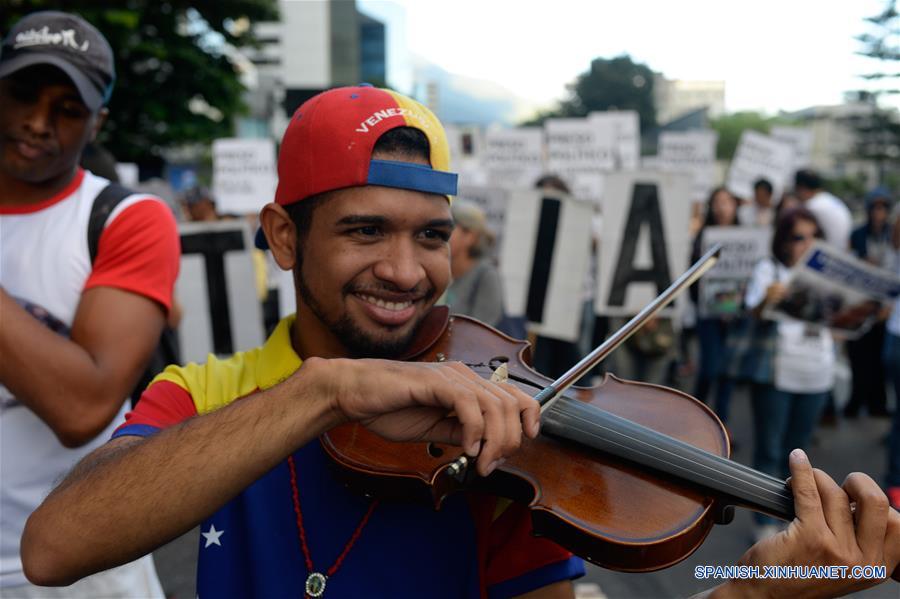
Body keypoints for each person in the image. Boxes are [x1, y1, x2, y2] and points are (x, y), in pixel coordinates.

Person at [20, 86, 900, 599]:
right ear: (283, 237)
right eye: (366, 231)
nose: (407, 271)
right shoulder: (207, 389)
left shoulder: (498, 432)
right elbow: (54, 547)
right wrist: (323, 389)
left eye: (432, 235)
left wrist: (760, 592)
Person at [0, 11, 179, 597]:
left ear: (97, 123)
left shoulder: (127, 219)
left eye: (67, 110)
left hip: (73, 572)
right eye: (22, 95)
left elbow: (81, 409)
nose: (35, 122)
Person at [742, 208, 835, 542]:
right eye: (799, 238)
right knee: (770, 449)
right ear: (783, 241)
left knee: (801, 453)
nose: (806, 244)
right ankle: (764, 523)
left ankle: (792, 520)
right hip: (778, 373)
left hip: (817, 373)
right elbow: (751, 311)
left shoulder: (826, 277)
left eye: (813, 237)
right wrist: (766, 300)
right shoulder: (769, 269)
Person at [690, 187, 739, 422]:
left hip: (735, 316)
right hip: (708, 313)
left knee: (728, 371)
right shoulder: (702, 236)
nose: (722, 207)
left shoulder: (747, 235)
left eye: (727, 202)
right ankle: (695, 414)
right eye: (718, 202)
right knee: (710, 369)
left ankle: (722, 425)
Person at [845, 187, 893, 419]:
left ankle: (877, 403)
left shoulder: (892, 233)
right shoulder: (858, 234)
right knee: (858, 355)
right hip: (862, 301)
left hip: (884, 305)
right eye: (875, 207)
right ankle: (856, 400)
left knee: (878, 359)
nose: (879, 213)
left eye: (883, 207)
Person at [443, 199, 506, 329]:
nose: (441, 234)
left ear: (470, 237)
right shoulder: (440, 269)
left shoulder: (486, 276)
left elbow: (482, 331)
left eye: (449, 227)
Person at [794, 169, 852, 249]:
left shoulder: (812, 206)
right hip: (842, 252)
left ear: (802, 188)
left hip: (828, 255)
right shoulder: (827, 198)